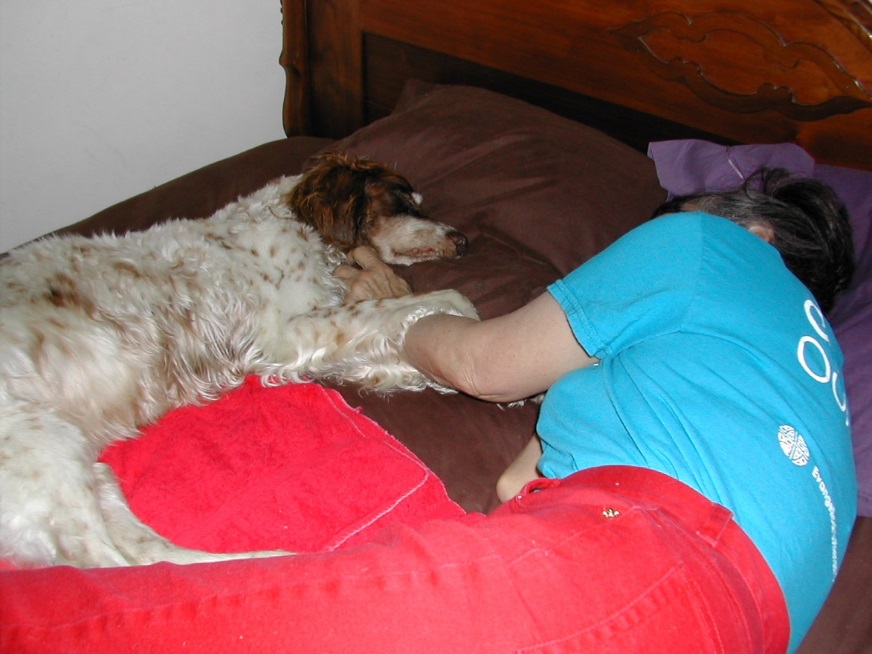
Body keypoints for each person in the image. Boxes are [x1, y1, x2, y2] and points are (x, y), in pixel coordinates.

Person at [3, 170, 856, 653]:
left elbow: (485, 365)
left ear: (756, 234)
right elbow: (519, 485)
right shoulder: (808, 386)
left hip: (642, 563)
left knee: (107, 627)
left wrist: (396, 315)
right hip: (744, 622)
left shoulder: (710, 247)